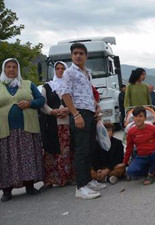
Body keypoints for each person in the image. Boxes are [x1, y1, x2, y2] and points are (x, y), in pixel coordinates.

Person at [58, 43, 105, 200]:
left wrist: (96, 106)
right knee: (81, 150)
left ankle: (88, 181)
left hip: (90, 112)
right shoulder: (69, 73)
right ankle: (80, 187)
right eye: (75, 53)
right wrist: (75, 115)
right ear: (71, 56)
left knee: (90, 149)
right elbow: (65, 94)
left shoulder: (87, 73)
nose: (78, 56)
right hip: (79, 113)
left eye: (81, 53)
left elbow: (89, 93)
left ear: (86, 56)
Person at [0, 58, 45, 202]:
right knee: (7, 160)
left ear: (18, 69)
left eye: (14, 67)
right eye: (8, 67)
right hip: (5, 131)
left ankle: (29, 185)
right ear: (4, 69)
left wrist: (30, 103)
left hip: (27, 129)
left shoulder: (27, 84)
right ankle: (7, 190)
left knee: (28, 157)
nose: (12, 69)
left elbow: (41, 100)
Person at [39, 61, 74, 191]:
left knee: (67, 151)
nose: (60, 71)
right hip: (53, 123)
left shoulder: (70, 85)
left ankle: (66, 177)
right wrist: (52, 112)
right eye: (58, 68)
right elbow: (43, 103)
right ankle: (52, 179)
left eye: (63, 68)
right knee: (52, 151)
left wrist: (68, 109)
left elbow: (76, 101)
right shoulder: (48, 86)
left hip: (67, 124)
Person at [116, 106, 155, 185]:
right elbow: (129, 148)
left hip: (153, 154)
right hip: (141, 156)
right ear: (133, 118)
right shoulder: (131, 132)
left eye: (140, 116)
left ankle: (150, 174)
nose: (138, 119)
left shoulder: (152, 128)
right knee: (130, 172)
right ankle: (150, 168)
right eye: (136, 117)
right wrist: (124, 162)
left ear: (145, 118)